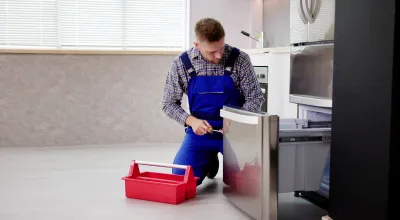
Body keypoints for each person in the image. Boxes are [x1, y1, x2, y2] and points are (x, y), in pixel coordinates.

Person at [162, 18, 264, 186]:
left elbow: (255, 97)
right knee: (180, 179)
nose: (219, 55)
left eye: (221, 48)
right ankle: (209, 159)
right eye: (212, 52)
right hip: (200, 133)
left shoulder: (240, 59)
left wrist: (236, 121)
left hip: (234, 134)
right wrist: (191, 121)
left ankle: (218, 158)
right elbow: (168, 103)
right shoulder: (181, 64)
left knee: (246, 182)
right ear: (197, 45)